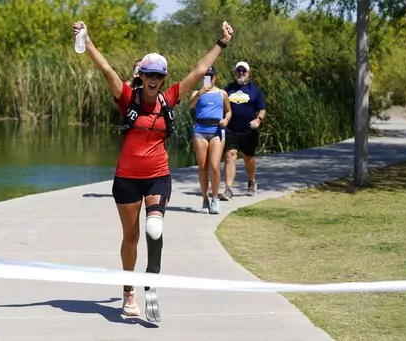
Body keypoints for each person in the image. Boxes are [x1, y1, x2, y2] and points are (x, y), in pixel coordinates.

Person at [72, 20, 234, 320]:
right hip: (126, 181)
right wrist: (88, 40)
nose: (153, 80)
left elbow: (199, 70)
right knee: (131, 237)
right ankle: (128, 291)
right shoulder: (126, 98)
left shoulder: (168, 98)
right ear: (141, 76)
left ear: (163, 79)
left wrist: (221, 43)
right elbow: (106, 69)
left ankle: (152, 282)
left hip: (158, 176)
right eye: (148, 74)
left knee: (154, 228)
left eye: (159, 75)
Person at [188, 66, 231, 214]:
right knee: (202, 166)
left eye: (211, 76)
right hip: (200, 130)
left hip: (216, 131)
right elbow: (190, 106)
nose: (209, 78)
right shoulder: (197, 93)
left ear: (215, 78)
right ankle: (205, 199)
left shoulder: (222, 93)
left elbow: (229, 111)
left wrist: (226, 119)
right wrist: (200, 93)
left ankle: (215, 199)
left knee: (214, 165)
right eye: (206, 76)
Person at [220, 61, 266, 200]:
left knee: (248, 158)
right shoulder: (228, 88)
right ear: (235, 72)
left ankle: (251, 182)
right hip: (231, 129)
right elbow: (220, 104)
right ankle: (228, 189)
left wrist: (258, 120)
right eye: (238, 70)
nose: (241, 73)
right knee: (230, 156)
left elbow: (262, 109)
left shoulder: (254, 90)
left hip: (248, 131)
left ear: (248, 73)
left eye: (243, 71)